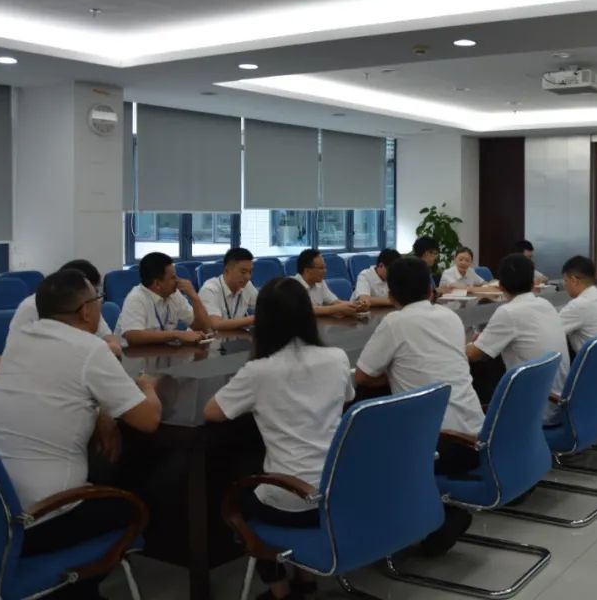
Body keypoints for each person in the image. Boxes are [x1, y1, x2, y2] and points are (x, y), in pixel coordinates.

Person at [0, 269, 162, 600]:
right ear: (86, 311)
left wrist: (101, 410)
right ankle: (76, 588)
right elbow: (148, 420)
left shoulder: (19, 343)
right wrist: (148, 387)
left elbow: (58, 391)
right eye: (98, 299)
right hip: (40, 520)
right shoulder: (89, 349)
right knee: (137, 504)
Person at [204, 277, 353, 600]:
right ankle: (305, 578)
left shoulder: (259, 371)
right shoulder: (337, 358)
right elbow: (347, 396)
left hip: (290, 501)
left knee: (235, 496)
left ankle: (280, 591)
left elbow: (212, 412)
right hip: (338, 493)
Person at [355, 255, 485, 555]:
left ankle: (428, 520)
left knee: (362, 446)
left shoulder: (395, 322)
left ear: (391, 296)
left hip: (439, 447)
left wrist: (393, 373)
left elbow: (362, 376)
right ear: (430, 290)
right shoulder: (450, 318)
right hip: (475, 434)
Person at [466, 253, 570, 407]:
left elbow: (473, 355)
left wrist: (465, 345)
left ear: (501, 286)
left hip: (533, 405)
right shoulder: (545, 304)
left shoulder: (508, 312)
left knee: (482, 371)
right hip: (557, 400)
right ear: (533, 283)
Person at [9, 258, 123, 356]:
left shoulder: (88, 305)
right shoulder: (30, 307)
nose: (97, 298)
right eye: (94, 291)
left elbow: (113, 344)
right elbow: (17, 353)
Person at [116, 251, 213, 345]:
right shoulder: (136, 297)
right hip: (132, 354)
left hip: (163, 351)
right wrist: (176, 334)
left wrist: (195, 298)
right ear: (157, 284)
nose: (178, 280)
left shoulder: (174, 294)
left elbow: (203, 328)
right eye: (173, 277)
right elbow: (133, 336)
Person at [292, 249, 366, 317]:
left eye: (325, 267)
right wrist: (336, 309)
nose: (325, 271)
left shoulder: (320, 283)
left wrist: (356, 306)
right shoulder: (292, 285)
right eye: (321, 268)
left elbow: (335, 302)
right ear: (307, 270)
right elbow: (304, 310)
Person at [198, 247, 259, 330]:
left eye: (250, 272)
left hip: (231, 336)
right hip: (204, 337)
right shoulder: (210, 289)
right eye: (243, 272)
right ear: (227, 270)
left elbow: (263, 307)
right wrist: (254, 319)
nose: (248, 277)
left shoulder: (247, 285)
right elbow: (215, 324)